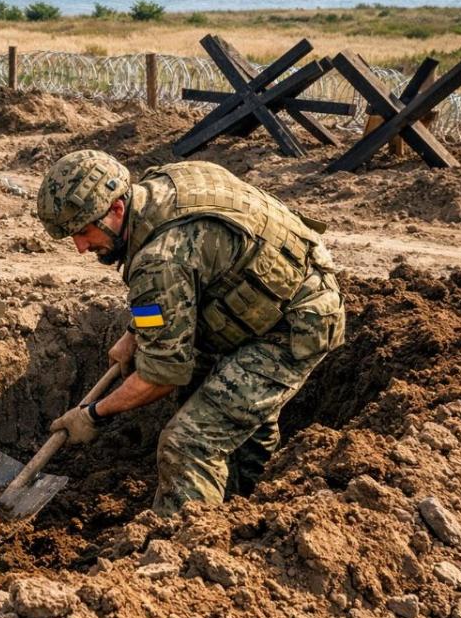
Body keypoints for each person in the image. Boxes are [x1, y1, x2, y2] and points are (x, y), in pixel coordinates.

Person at [37, 151, 345, 516]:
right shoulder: (162, 185)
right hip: (261, 299)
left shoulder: (159, 262)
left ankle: (184, 548)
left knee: (187, 442)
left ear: (117, 208)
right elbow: (187, 280)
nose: (80, 247)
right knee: (221, 411)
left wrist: (92, 414)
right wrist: (135, 332)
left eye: (84, 231)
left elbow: (162, 375)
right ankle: (248, 510)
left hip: (291, 326)